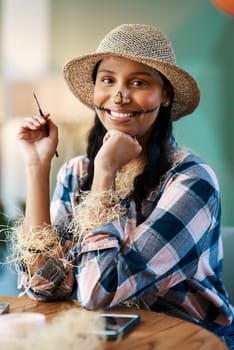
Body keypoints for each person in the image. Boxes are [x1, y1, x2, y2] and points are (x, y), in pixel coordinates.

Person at [16, 23, 234, 347]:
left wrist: (105, 170)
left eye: (138, 82)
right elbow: (44, 286)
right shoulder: (76, 173)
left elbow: (97, 292)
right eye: (108, 80)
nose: (119, 95)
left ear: (165, 97)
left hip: (187, 339)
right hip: (108, 337)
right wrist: (37, 165)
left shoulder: (193, 180)